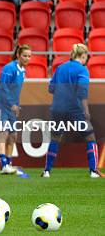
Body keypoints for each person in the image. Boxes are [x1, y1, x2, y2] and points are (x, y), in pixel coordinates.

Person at [43, 44, 102, 178]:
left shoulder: (60, 68)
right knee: (90, 137)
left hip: (58, 108)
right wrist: (86, 109)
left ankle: (47, 171)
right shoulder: (82, 70)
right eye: (86, 57)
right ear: (83, 56)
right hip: (75, 109)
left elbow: (51, 88)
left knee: (55, 138)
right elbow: (82, 91)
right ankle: (93, 171)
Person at [0, 44, 31, 175]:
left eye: (29, 56)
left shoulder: (23, 71)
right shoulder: (9, 68)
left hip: (11, 108)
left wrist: (16, 105)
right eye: (25, 55)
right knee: (3, 133)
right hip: (0, 106)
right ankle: (3, 165)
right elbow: (3, 88)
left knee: (13, 136)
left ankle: (9, 164)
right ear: (18, 55)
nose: (27, 58)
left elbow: (15, 91)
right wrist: (11, 103)